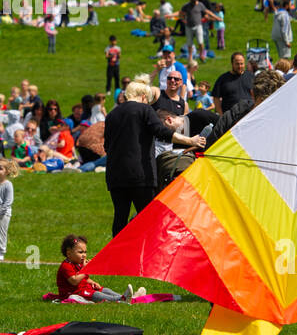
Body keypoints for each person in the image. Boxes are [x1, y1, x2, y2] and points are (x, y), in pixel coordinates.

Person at [104, 79, 206, 237]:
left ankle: (116, 258)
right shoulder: (144, 109)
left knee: (120, 219)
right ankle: (147, 258)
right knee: (149, 220)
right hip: (140, 174)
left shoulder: (111, 115)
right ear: (143, 96)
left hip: (115, 175)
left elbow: (106, 146)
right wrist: (190, 140)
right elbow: (161, 132)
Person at [56, 235, 138, 302]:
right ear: (69, 253)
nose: (84, 255)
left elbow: (85, 279)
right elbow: (74, 281)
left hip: (83, 289)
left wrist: (92, 282)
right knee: (97, 295)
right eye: (80, 252)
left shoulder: (79, 264)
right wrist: (85, 269)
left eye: (85, 252)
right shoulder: (66, 266)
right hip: (73, 293)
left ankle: (127, 297)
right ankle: (120, 299)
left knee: (105, 290)